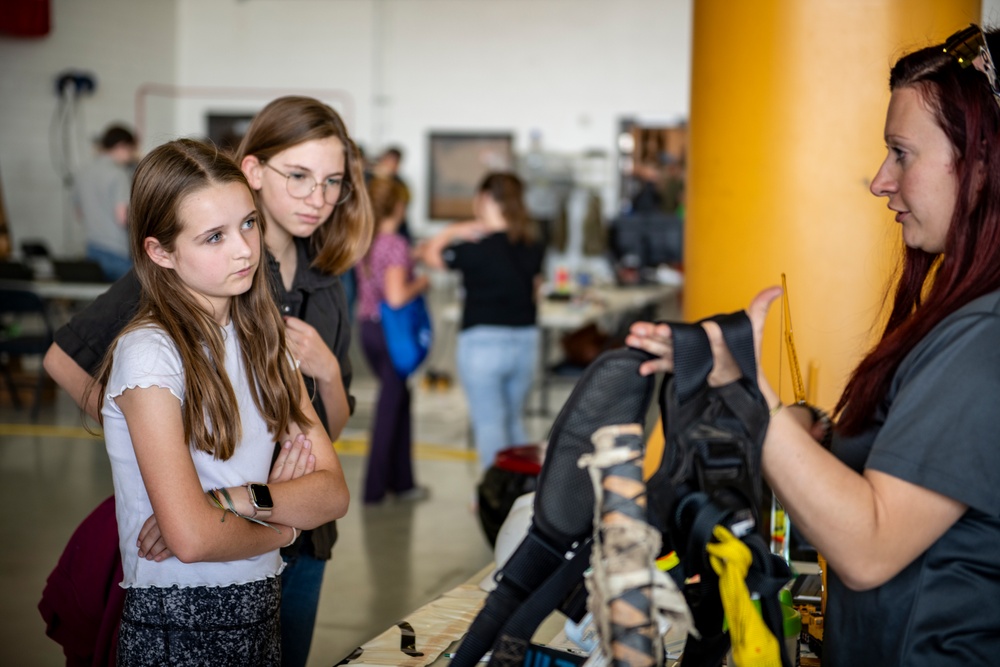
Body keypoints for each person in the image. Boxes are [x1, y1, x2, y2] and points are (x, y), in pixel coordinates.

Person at [627, 24, 1000, 666]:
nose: (881, 180)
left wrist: (751, 399)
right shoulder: (966, 318)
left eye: (901, 153)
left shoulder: (985, 335)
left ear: (983, 163)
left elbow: (870, 546)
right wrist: (813, 433)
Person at [43, 96, 373, 667]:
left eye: (247, 225)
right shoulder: (150, 353)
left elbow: (333, 493)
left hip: (258, 606)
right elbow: (192, 538)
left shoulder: (265, 334)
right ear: (161, 252)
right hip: (179, 622)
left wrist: (228, 500)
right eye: (215, 236)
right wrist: (281, 524)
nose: (245, 248)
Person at [418, 172, 545, 471]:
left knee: (489, 427)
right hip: (525, 342)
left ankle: (494, 500)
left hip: (482, 343)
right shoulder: (531, 245)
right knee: (514, 422)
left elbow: (429, 255)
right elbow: (536, 290)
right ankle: (521, 493)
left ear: (485, 199)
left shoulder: (473, 246)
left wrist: (456, 229)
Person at [355, 176, 429, 504]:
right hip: (392, 332)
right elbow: (397, 297)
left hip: (369, 328)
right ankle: (375, 489)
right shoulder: (395, 244)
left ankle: (402, 482)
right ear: (399, 206)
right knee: (390, 407)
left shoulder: (366, 240)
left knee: (399, 402)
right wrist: (422, 283)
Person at [73, 124, 138, 281]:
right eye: (131, 150)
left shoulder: (83, 172)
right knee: (136, 296)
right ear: (122, 146)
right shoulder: (118, 174)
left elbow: (79, 213)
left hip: (91, 248)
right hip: (116, 250)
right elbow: (123, 217)